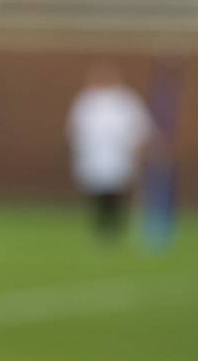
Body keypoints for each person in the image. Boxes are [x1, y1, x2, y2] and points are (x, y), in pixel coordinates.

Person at [66, 63, 155, 241]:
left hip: (119, 155)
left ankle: (114, 227)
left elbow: (138, 127)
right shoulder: (86, 101)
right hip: (93, 155)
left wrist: (137, 147)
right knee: (97, 191)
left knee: (116, 190)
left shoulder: (126, 101)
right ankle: (100, 226)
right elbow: (75, 129)